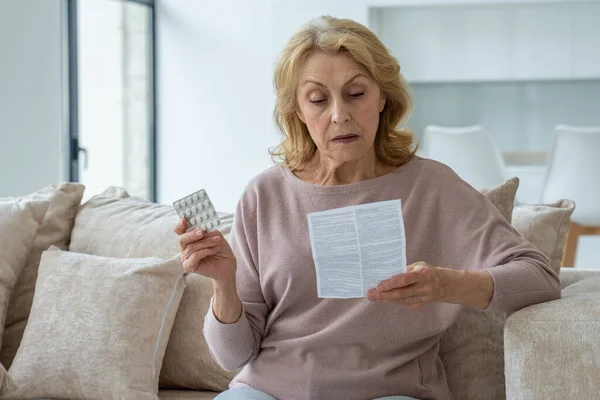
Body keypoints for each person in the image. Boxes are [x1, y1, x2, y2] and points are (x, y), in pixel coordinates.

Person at [173, 16, 560, 400]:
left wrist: (445, 284)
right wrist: (224, 283)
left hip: (391, 392)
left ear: (382, 97)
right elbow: (233, 355)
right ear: (298, 112)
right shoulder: (265, 195)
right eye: (318, 100)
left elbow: (540, 277)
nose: (339, 114)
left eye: (356, 94)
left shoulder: (431, 187)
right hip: (269, 391)